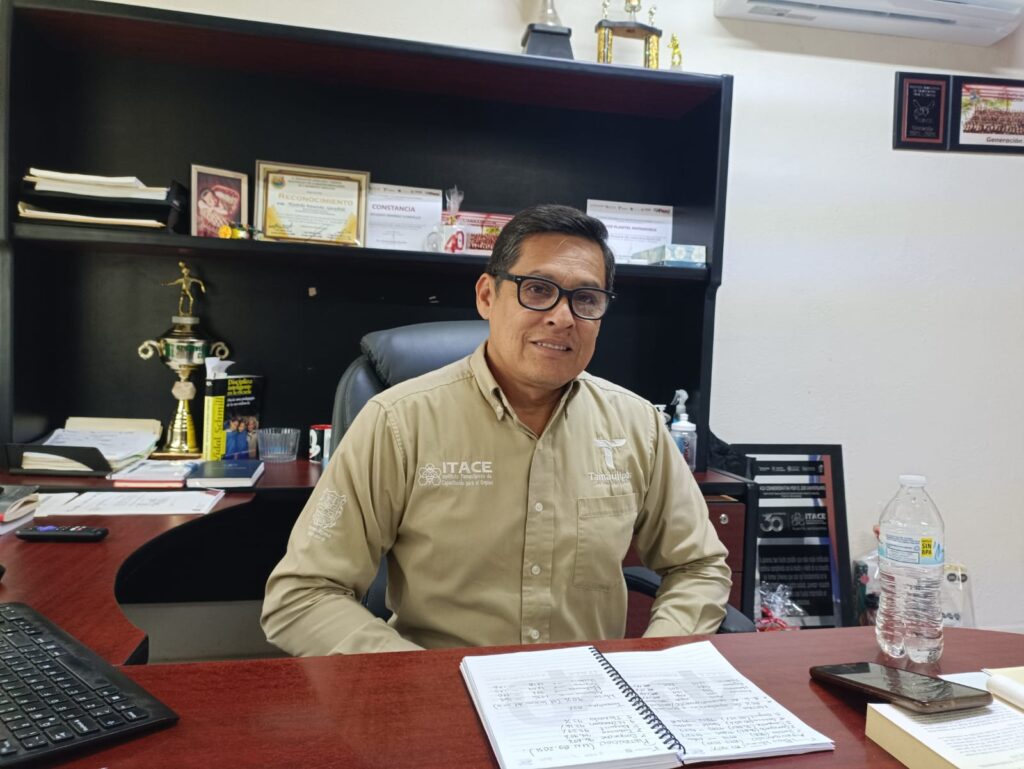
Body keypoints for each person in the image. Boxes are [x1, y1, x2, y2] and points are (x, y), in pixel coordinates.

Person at [261, 204, 731, 655]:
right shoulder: (399, 421)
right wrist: (416, 679)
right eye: (538, 289)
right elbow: (303, 595)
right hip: (440, 691)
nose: (563, 317)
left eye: (586, 299)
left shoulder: (636, 424)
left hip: (588, 693)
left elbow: (698, 566)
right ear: (487, 296)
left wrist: (659, 658)